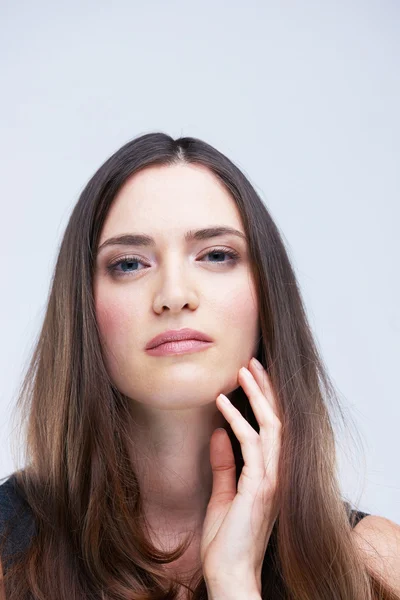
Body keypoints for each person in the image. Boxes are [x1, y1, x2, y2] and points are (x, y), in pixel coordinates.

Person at [0, 132, 399, 600]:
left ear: (267, 295)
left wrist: (234, 582)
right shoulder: (9, 553)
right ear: (84, 308)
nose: (174, 296)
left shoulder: (378, 566)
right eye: (129, 264)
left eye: (215, 255)